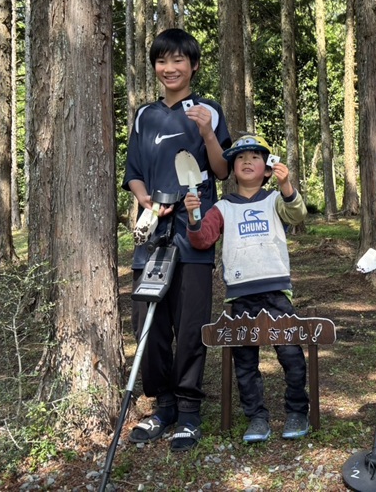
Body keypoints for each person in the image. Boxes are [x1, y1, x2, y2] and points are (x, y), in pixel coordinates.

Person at [121, 28, 231, 453]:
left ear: (194, 65)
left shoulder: (208, 110)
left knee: (189, 325)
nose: (169, 68)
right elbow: (132, 170)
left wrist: (206, 132)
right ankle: (162, 406)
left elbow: (222, 172)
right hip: (152, 231)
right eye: (162, 61)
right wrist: (143, 195)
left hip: (193, 231)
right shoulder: (144, 115)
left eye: (178, 61)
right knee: (146, 321)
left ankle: (188, 412)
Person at [184, 134, 310, 444]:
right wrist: (193, 214)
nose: (247, 161)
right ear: (232, 167)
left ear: (267, 168)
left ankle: (297, 410)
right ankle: (256, 416)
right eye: (240, 157)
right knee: (245, 362)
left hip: (277, 292)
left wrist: (286, 186)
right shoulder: (224, 206)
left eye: (255, 156)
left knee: (291, 355)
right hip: (240, 295)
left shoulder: (274, 200)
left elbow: (298, 215)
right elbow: (202, 239)